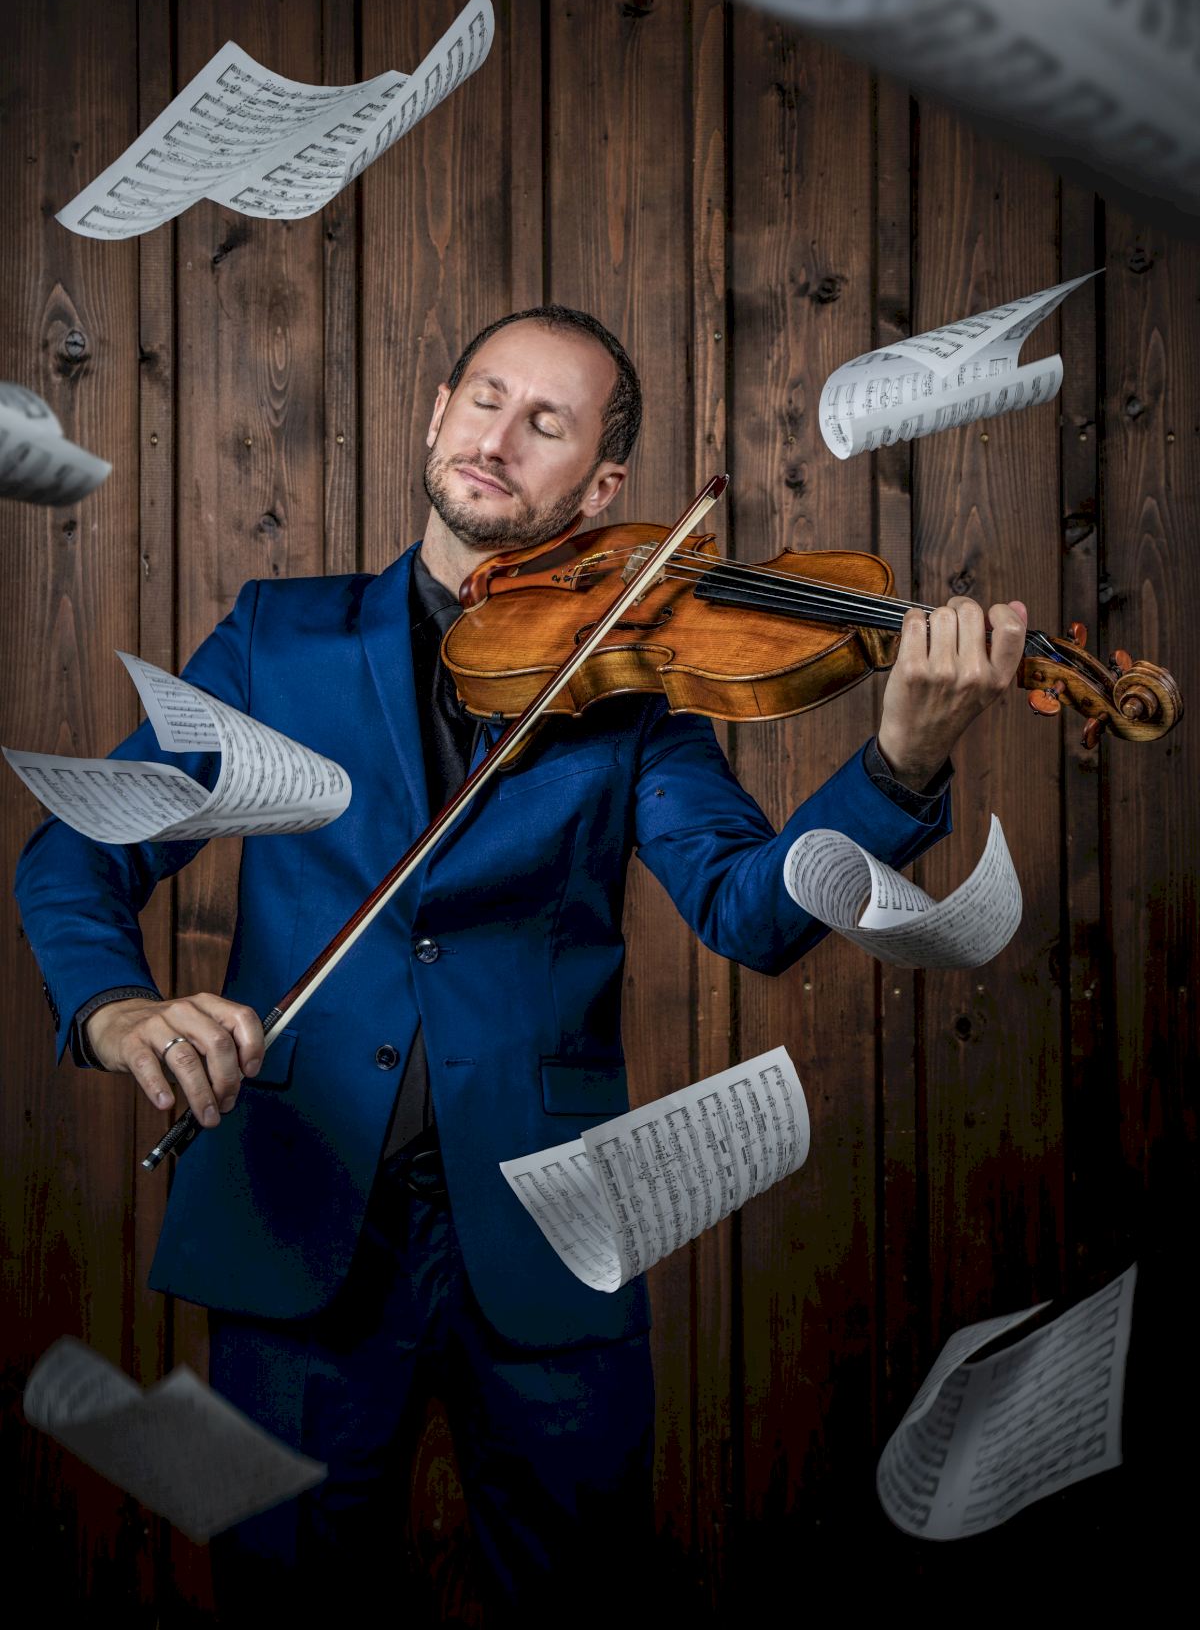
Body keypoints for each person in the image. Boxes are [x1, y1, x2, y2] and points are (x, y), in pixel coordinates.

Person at [14, 304, 1027, 1619]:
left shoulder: (635, 686)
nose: (498, 439)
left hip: (552, 1234)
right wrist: (117, 1009)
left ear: (602, 488)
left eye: (547, 423)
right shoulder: (279, 639)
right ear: (438, 412)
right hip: (298, 1208)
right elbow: (78, 847)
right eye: (485, 399)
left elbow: (751, 912)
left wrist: (900, 763)